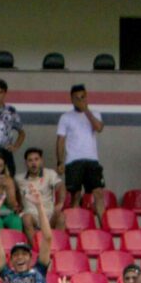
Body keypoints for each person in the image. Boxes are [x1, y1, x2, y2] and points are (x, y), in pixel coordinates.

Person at [56, 84, 107, 214]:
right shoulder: (65, 117)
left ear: (87, 97)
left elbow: (99, 128)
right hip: (73, 161)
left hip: (92, 160)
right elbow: (60, 140)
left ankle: (104, 229)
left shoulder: (95, 113)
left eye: (83, 97)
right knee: (76, 196)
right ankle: (76, 227)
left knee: (98, 194)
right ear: (71, 99)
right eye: (77, 98)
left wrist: (86, 111)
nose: (80, 100)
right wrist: (60, 161)